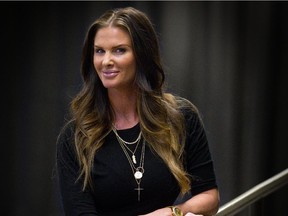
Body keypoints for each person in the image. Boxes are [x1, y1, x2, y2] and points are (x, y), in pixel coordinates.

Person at [56, 6, 219, 216]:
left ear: (142, 55)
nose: (106, 61)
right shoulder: (74, 137)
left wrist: (172, 212)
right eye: (99, 51)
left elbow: (209, 196)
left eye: (119, 50)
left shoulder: (181, 117)